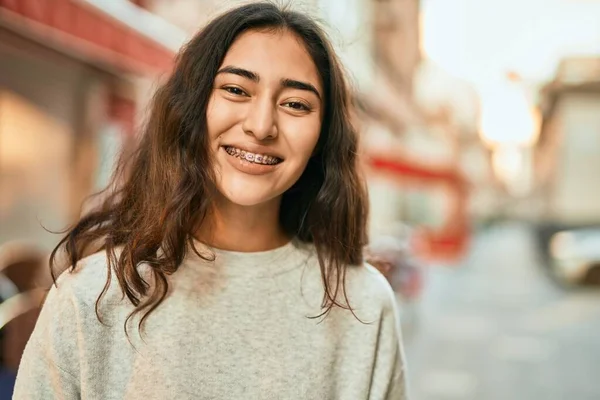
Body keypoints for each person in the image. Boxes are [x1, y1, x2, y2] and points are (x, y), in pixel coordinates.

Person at [14, 2, 408, 399]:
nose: (261, 126)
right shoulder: (93, 295)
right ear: (192, 108)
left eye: (295, 104)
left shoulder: (363, 305)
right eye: (236, 90)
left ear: (323, 136)